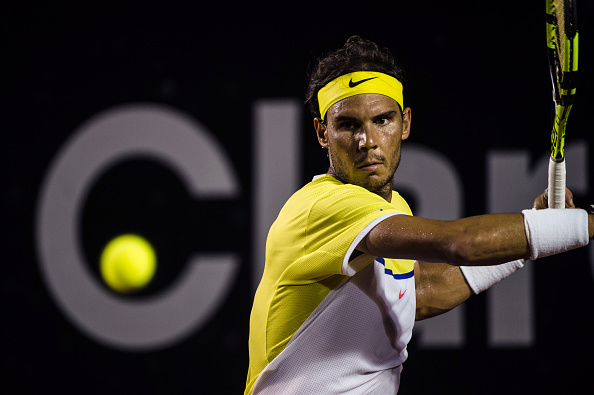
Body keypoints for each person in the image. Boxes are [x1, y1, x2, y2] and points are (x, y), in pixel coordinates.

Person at [244, 36, 593, 394]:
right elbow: (461, 245)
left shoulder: (393, 208)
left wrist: (526, 237)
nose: (368, 140)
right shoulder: (323, 205)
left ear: (405, 123)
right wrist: (577, 225)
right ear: (322, 133)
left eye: (382, 120)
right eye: (348, 124)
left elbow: (419, 292)